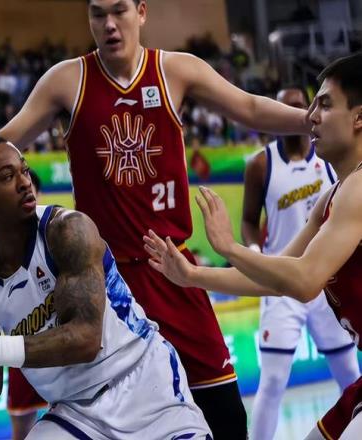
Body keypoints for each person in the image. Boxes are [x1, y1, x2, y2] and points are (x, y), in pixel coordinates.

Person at [0, 1, 312, 437]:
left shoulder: (176, 70)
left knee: (226, 416)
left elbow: (250, 108)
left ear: (141, 12)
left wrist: (311, 121)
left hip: (174, 268)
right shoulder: (68, 80)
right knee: (92, 402)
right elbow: (6, 139)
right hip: (104, 280)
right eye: (97, 14)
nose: (109, 23)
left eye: (119, 11)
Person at [0, 136, 212, 439]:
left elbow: (86, 340)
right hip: (75, 413)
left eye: (24, 170)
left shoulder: (68, 230)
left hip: (144, 383)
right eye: (8, 176)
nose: (24, 183)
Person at [143, 52, 362, 440]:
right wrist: (192, 275)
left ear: (359, 117)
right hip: (300, 284)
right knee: (276, 383)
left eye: (325, 105)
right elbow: (276, 277)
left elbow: (305, 280)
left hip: (308, 281)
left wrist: (230, 247)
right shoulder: (330, 196)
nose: (310, 116)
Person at [241, 87, 360, 440]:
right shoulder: (261, 164)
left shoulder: (333, 161)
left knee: (348, 371)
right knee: (273, 378)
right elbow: (248, 220)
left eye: (303, 105)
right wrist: (252, 250)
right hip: (282, 274)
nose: (303, 114)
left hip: (326, 279)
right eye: (289, 107)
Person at [7, 168, 47, 440]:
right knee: (22, 431)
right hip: (21, 349)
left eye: (30, 187)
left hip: (63, 346)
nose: (25, 193)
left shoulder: (60, 232)